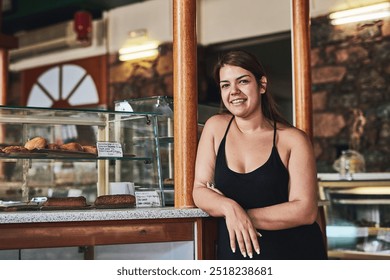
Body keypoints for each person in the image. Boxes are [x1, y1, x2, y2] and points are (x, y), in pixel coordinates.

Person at [192, 50, 327, 260]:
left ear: (262, 84)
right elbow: (200, 190)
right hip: (237, 258)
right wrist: (230, 208)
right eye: (225, 85)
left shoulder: (292, 139)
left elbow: (305, 210)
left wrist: (242, 217)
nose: (234, 91)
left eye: (243, 82)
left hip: (293, 255)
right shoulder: (215, 127)